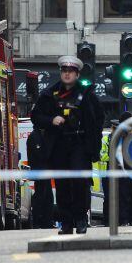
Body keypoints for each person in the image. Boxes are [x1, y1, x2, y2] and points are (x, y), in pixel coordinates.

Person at [30, 55, 104, 235]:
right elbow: (36, 117)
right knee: (62, 184)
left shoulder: (87, 95)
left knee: (79, 182)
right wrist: (51, 120)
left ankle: (80, 219)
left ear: (77, 74)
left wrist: (92, 146)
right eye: (64, 71)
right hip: (59, 145)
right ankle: (66, 222)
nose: (67, 74)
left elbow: (98, 119)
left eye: (71, 71)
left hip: (79, 144)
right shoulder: (49, 94)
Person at [27, 127, 54, 228]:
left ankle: (46, 222)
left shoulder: (39, 135)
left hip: (44, 171)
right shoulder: (35, 137)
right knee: (41, 196)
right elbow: (41, 154)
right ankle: (39, 221)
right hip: (40, 171)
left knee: (47, 197)